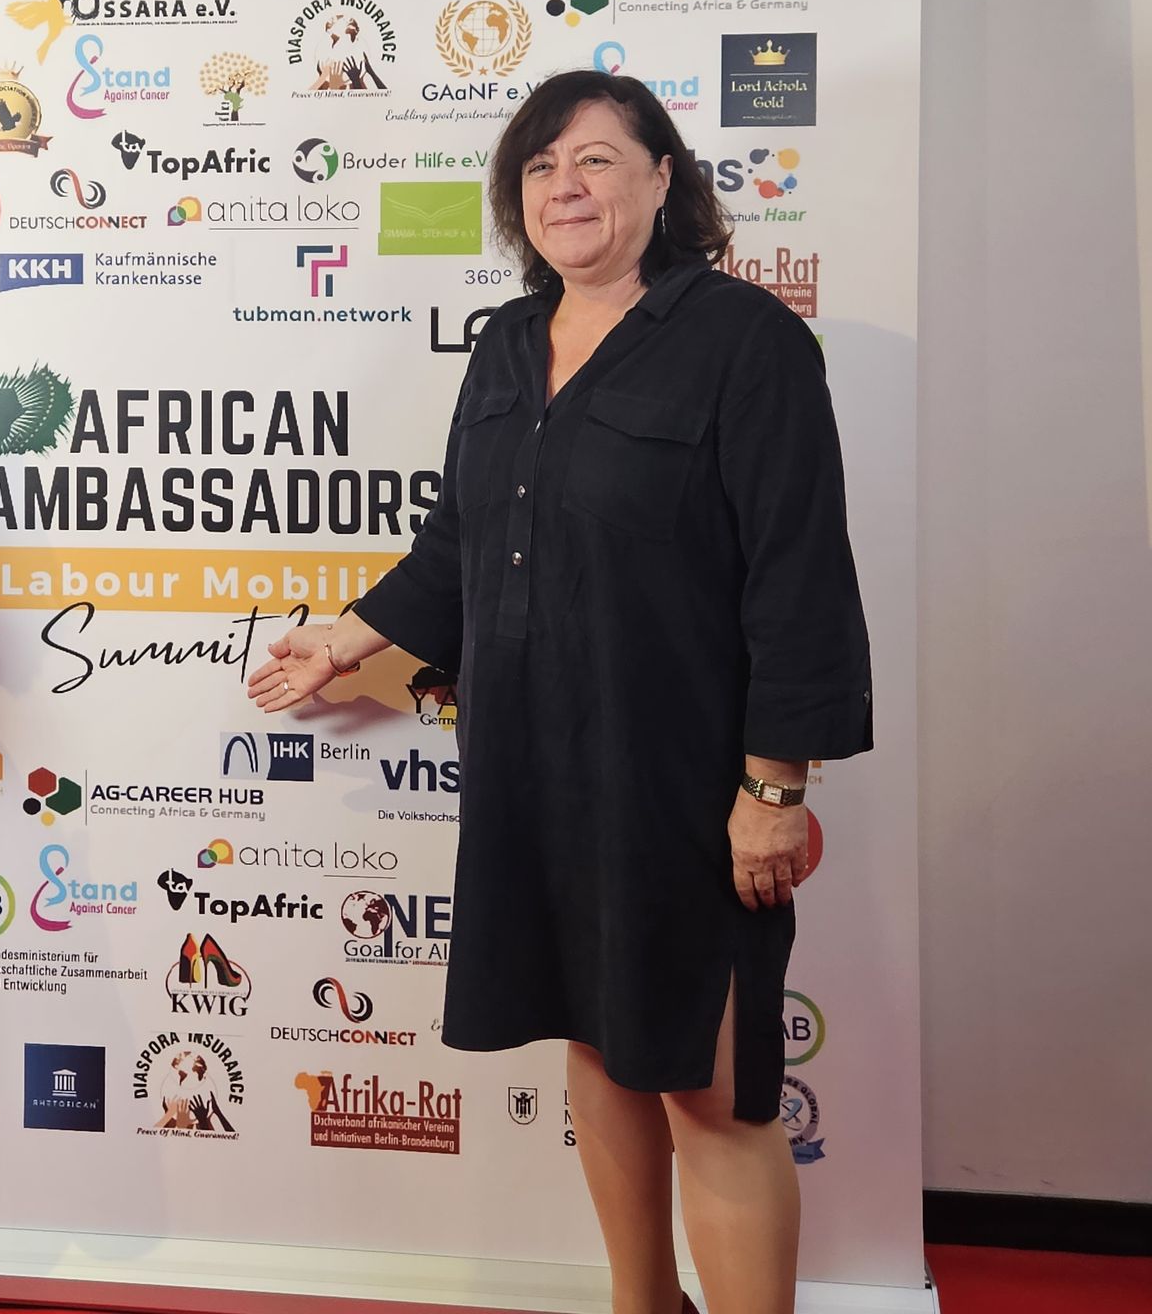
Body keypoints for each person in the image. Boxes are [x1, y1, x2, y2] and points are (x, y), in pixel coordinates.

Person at [248, 69, 871, 1314]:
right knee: (598, 1044)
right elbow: (460, 548)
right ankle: (644, 1303)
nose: (565, 187)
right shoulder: (501, 344)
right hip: (535, 765)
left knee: (711, 1084)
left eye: (596, 159)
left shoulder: (750, 345)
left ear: (662, 179)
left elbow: (799, 580)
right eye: (540, 168)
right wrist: (348, 640)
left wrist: (771, 788)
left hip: (689, 780)